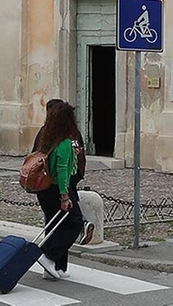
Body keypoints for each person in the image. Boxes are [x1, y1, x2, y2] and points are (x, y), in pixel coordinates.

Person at [30, 100, 85, 280]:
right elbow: (62, 172)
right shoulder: (65, 143)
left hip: (43, 188)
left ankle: (56, 267)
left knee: (55, 224)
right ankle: (48, 256)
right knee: (75, 222)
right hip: (58, 188)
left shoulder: (46, 136)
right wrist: (64, 196)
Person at [47, 98, 95, 246]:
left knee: (61, 213)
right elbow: (80, 152)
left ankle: (51, 250)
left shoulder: (51, 134)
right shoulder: (73, 132)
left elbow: (60, 166)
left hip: (58, 179)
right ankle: (81, 225)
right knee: (68, 206)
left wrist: (64, 194)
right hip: (73, 174)